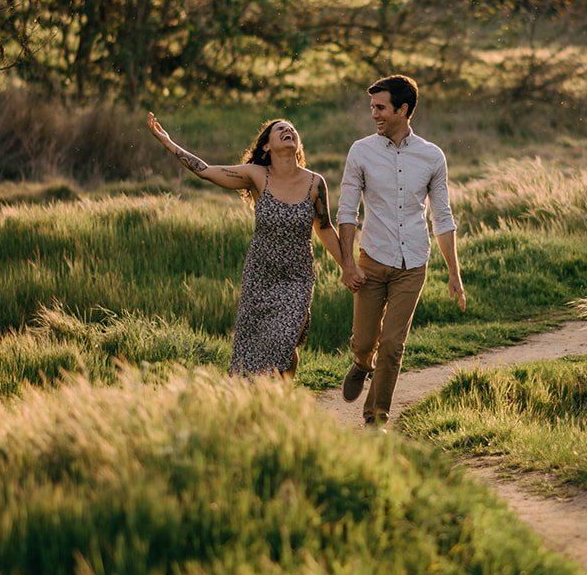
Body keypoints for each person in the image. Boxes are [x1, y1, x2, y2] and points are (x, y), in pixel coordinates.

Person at [147, 113, 343, 380]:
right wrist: (168, 142)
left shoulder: (314, 182)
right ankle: (263, 401)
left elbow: (324, 227)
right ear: (266, 146)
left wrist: (349, 267)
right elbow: (205, 171)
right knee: (255, 345)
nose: (289, 131)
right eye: (281, 130)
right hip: (260, 276)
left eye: (292, 129)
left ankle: (282, 398)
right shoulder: (257, 175)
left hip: (297, 277)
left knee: (285, 337)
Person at [337, 73, 465, 426]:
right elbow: (347, 212)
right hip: (372, 260)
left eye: (381, 108)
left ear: (403, 109)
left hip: (413, 264)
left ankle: (376, 416)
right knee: (365, 341)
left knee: (393, 345)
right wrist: (348, 263)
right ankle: (362, 363)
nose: (374, 114)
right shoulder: (360, 152)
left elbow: (442, 216)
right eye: (372, 108)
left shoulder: (431, 156)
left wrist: (454, 272)